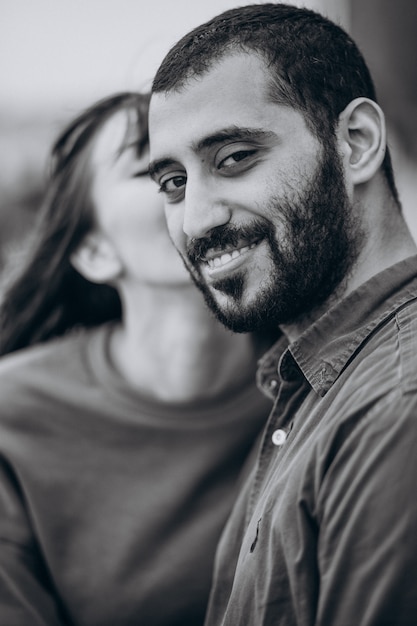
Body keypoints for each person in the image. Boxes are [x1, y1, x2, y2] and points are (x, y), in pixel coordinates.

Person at [148, 4, 417, 625]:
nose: (196, 220)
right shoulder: (311, 379)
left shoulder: (398, 404)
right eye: (172, 182)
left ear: (356, 144)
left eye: (235, 157)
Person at [0, 91, 275, 625]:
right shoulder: (9, 417)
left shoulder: (326, 380)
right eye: (158, 172)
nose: (200, 190)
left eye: (225, 160)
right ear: (95, 251)